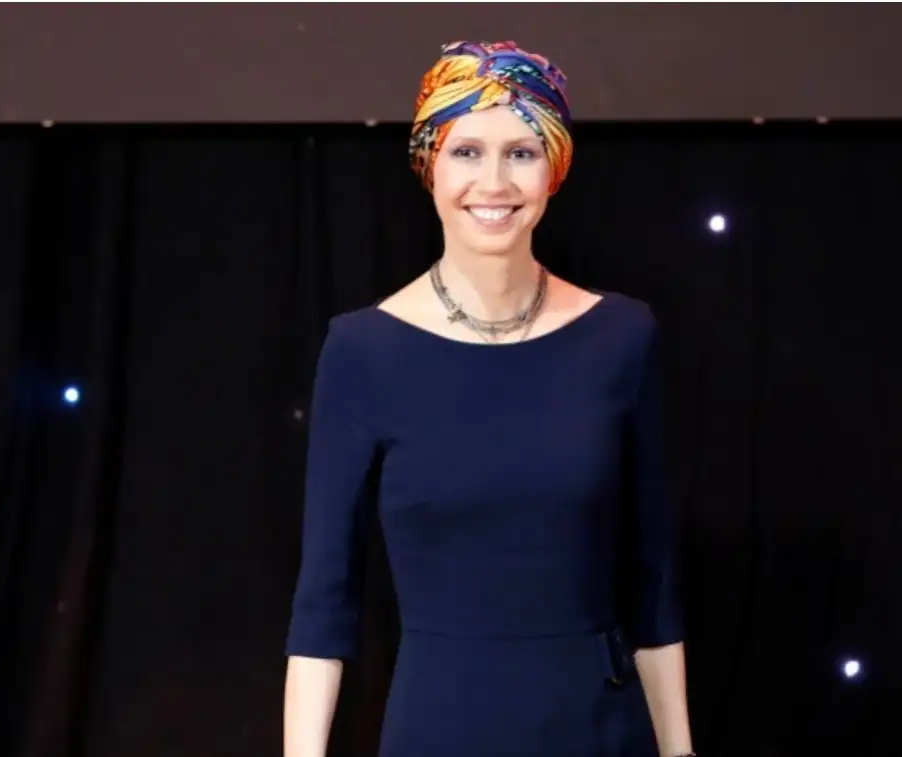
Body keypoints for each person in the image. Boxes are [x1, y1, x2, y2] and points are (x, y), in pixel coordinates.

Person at [283, 40, 695, 757]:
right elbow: (324, 597)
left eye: (521, 153)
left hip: (598, 730)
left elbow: (653, 577)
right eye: (467, 151)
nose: (494, 181)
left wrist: (679, 749)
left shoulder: (623, 338)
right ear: (430, 165)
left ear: (554, 167)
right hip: (437, 730)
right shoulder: (362, 350)